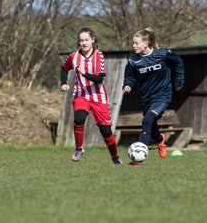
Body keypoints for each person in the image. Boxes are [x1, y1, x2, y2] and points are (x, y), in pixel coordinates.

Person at [122, 27, 185, 165]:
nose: (133, 46)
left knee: (147, 120)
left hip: (163, 95)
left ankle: (138, 157)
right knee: (151, 125)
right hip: (146, 97)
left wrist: (179, 81)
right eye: (133, 43)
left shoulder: (162, 54)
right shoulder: (133, 60)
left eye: (136, 43)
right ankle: (160, 139)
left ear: (146, 43)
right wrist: (127, 84)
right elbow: (129, 76)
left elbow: (178, 61)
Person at [60, 27, 123, 165]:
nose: (84, 43)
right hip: (81, 95)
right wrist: (64, 83)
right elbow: (64, 69)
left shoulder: (99, 55)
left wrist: (85, 73)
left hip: (98, 96)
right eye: (81, 40)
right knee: (79, 118)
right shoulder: (73, 56)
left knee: (105, 130)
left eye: (87, 40)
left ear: (93, 40)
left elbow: (100, 79)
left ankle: (115, 156)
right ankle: (79, 148)